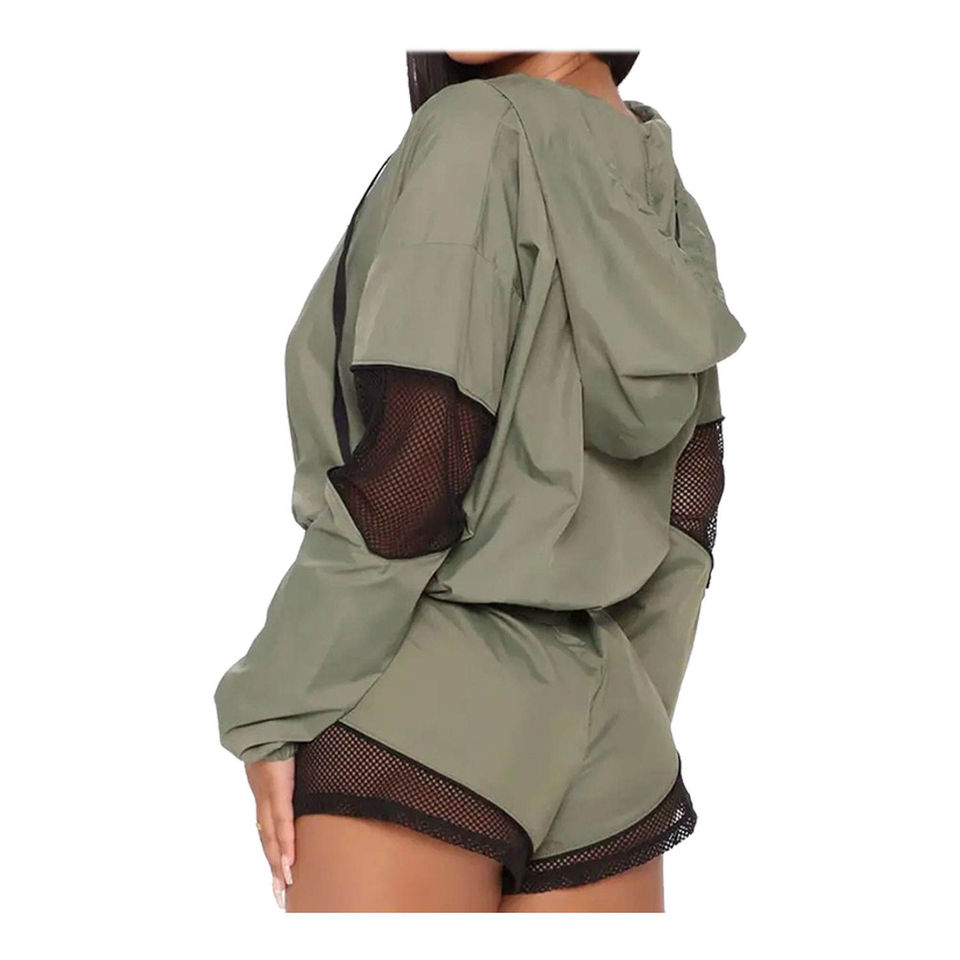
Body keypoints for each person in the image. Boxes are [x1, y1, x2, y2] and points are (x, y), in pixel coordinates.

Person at [214, 50, 746, 912]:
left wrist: (272, 703)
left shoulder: (473, 131)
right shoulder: (657, 182)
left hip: (422, 716)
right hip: (613, 742)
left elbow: (414, 475)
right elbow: (691, 504)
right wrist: (629, 715)